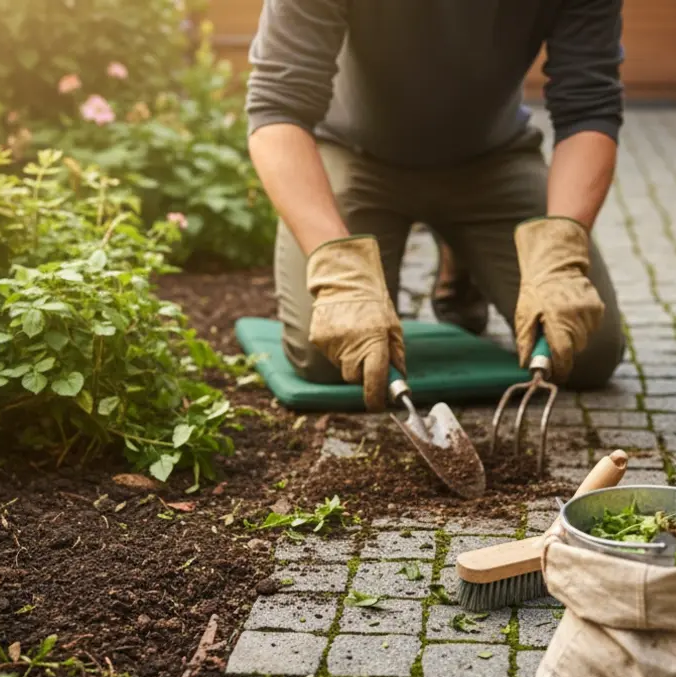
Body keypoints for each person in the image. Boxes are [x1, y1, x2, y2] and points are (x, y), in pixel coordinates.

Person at [245, 0, 626, 410]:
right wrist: (340, 273)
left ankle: (461, 254)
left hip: (492, 162)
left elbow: (589, 108)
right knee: (331, 355)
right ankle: (457, 247)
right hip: (355, 155)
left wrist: (560, 253)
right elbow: (277, 107)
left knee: (585, 348)